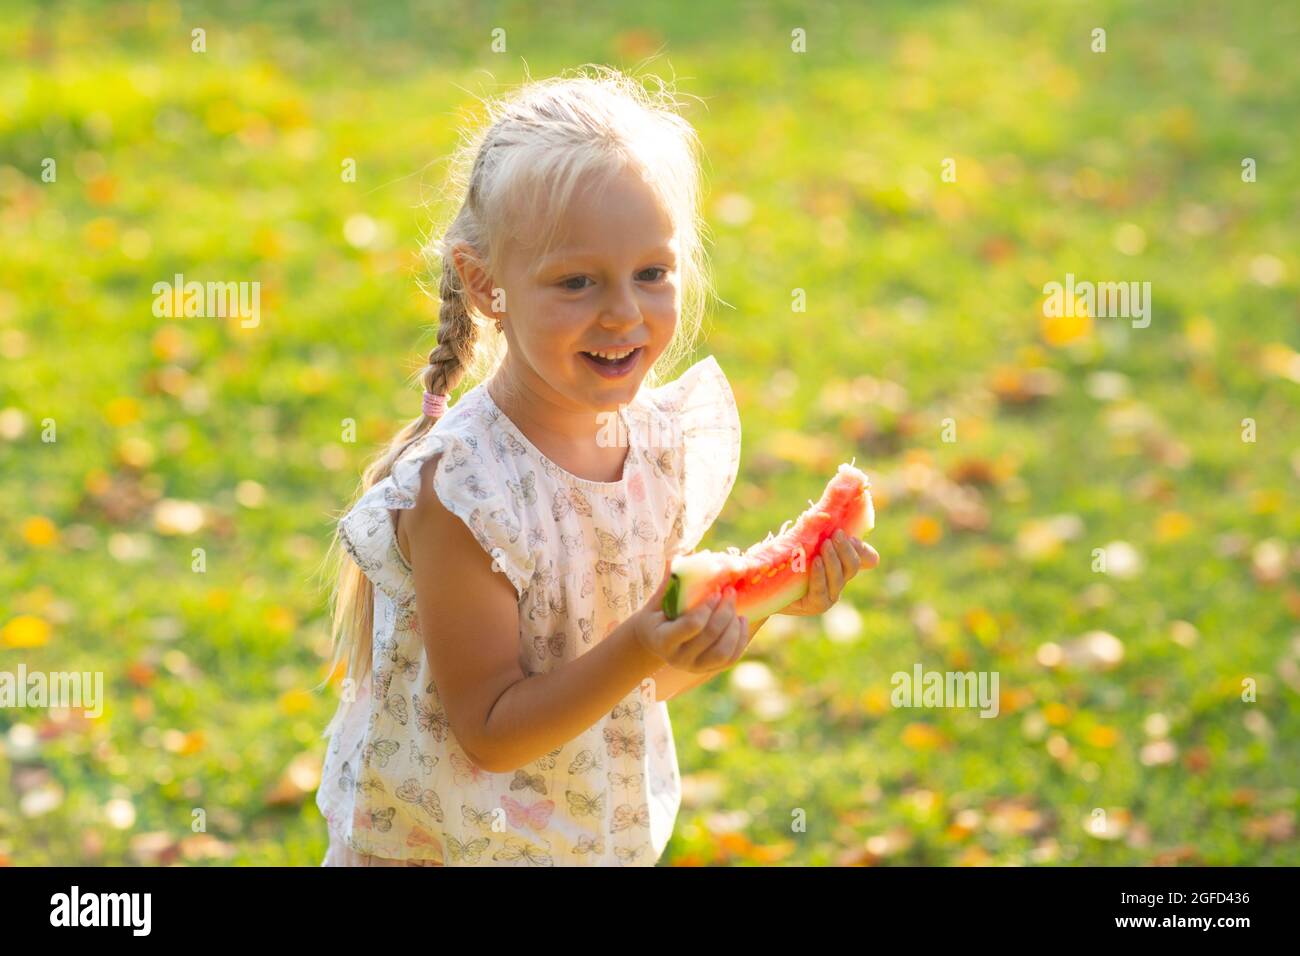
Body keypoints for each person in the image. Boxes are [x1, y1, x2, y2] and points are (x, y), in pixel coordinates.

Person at [317, 65, 878, 867]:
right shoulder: (467, 490)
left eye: (651, 273)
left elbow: (625, 696)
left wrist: (746, 617)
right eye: (576, 282)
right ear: (487, 287)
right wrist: (645, 645)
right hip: (448, 849)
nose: (623, 311)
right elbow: (490, 732)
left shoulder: (654, 449)